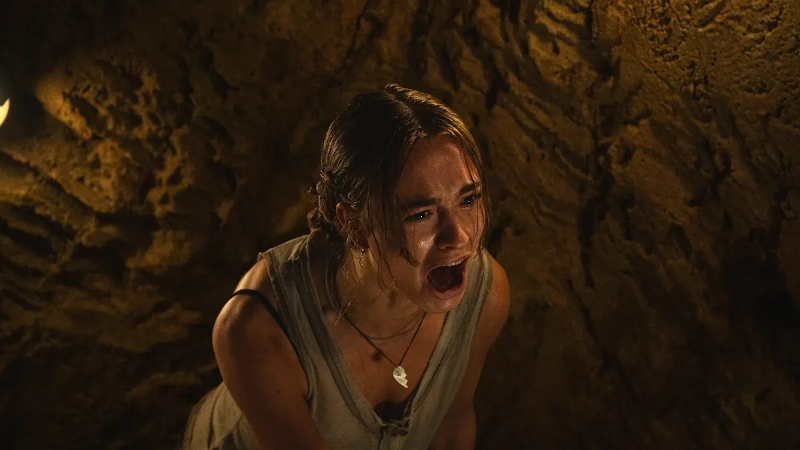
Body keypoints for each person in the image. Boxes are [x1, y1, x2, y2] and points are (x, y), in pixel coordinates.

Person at [181, 84, 510, 450]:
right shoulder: (259, 329)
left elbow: (452, 422)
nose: (459, 236)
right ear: (354, 224)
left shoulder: (485, 294)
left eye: (468, 199)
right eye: (421, 214)